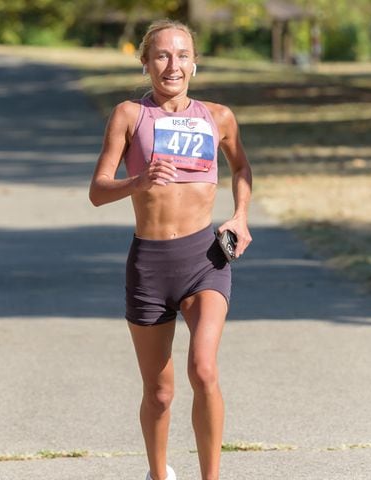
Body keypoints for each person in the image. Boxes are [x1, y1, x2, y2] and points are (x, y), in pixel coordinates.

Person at [89, 19, 252, 480]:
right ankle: (159, 474)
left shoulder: (217, 116)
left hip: (205, 260)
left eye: (182, 55)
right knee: (159, 393)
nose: (172, 65)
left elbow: (241, 168)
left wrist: (240, 216)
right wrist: (137, 181)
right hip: (150, 263)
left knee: (203, 370)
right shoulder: (129, 115)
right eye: (161, 55)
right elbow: (98, 190)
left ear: (194, 63)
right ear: (145, 63)